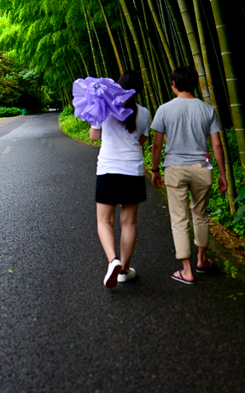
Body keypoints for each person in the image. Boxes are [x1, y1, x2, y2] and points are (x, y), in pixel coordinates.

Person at [150, 66, 228, 285]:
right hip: (202, 167)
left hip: (175, 168)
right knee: (201, 215)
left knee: (179, 218)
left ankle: (187, 270)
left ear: (174, 84)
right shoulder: (207, 110)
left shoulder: (164, 109)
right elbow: (217, 145)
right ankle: (202, 260)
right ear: (194, 84)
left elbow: (157, 145)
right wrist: (222, 174)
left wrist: (155, 170)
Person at [89, 71, 150, 287]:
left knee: (104, 221)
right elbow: (142, 140)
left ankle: (112, 260)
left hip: (108, 169)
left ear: (119, 86)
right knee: (129, 222)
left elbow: (94, 136)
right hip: (133, 169)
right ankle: (124, 269)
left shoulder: (104, 107)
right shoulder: (144, 112)